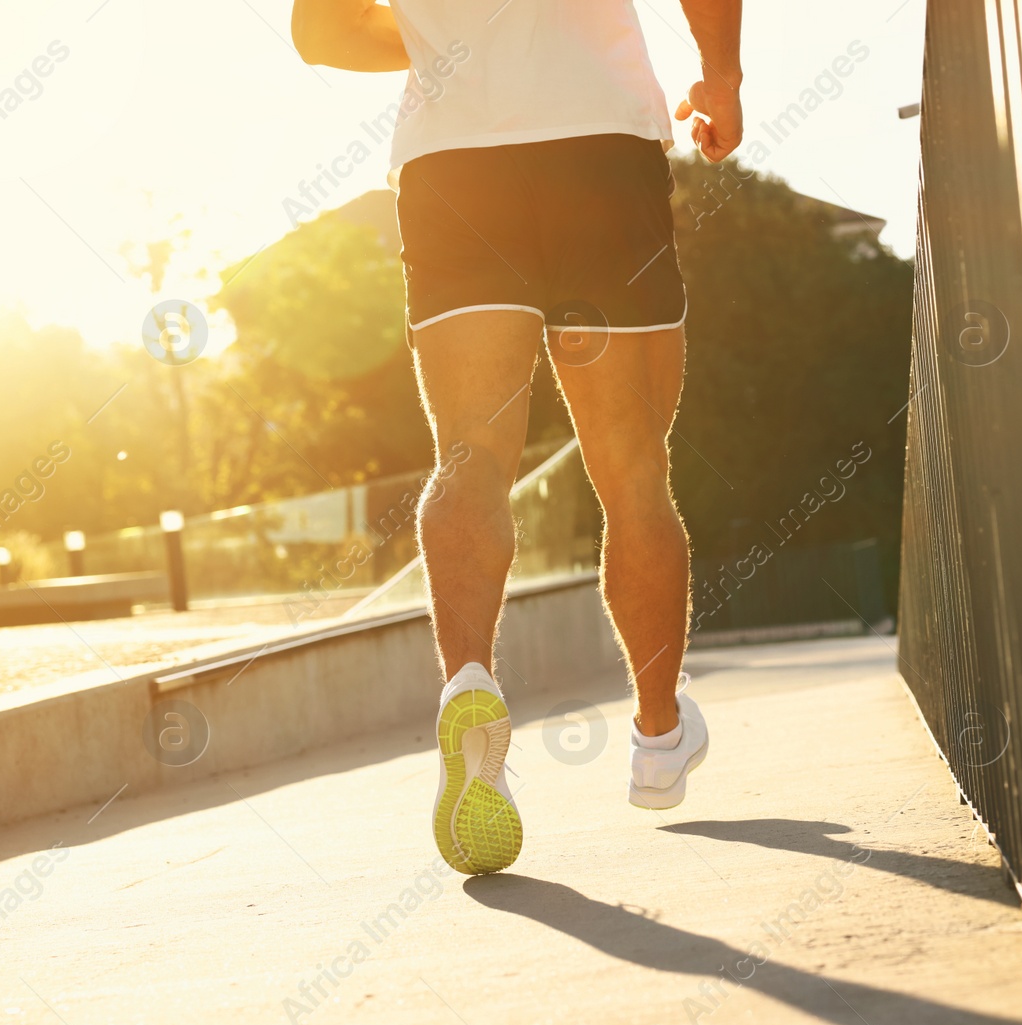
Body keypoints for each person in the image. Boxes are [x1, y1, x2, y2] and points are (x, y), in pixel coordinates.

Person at [290, 0, 743, 874]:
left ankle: (469, 680)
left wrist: (442, 45)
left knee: (469, 455)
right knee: (635, 471)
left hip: (453, 164)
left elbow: (321, 30)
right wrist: (720, 74)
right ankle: (657, 736)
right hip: (599, 143)